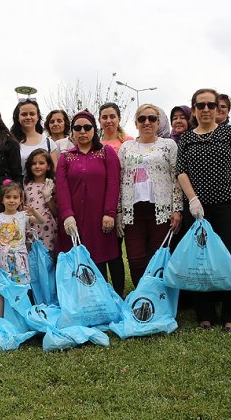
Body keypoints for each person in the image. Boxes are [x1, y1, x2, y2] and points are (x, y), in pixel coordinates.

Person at [176, 89, 231, 331]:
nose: (206, 109)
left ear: (217, 107)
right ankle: (204, 314)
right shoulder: (187, 139)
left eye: (211, 105)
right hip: (198, 209)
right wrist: (193, 199)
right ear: (194, 109)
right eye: (201, 105)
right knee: (200, 260)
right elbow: (181, 171)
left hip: (228, 205)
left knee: (230, 257)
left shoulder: (229, 132)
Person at [56, 109, 124, 294]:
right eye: (77, 128)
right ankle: (85, 298)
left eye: (87, 127)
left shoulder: (106, 152)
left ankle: (113, 298)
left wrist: (109, 213)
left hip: (101, 217)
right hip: (76, 219)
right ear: (72, 132)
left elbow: (113, 183)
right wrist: (67, 215)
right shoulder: (66, 157)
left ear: (94, 129)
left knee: (105, 256)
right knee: (79, 259)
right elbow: (61, 188)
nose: (82, 131)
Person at [117, 104, 183, 290]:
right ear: (136, 122)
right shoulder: (126, 147)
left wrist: (177, 209)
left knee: (159, 256)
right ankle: (141, 296)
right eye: (142, 119)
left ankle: (159, 297)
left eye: (152, 118)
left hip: (160, 210)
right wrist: (119, 211)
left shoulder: (168, 145)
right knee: (135, 258)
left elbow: (176, 178)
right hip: (133, 211)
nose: (147, 122)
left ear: (158, 121)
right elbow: (120, 180)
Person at [0, 180, 43, 317]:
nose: (12, 200)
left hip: (20, 260)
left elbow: (41, 221)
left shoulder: (23, 216)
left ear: (20, 200)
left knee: (21, 288)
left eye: (15, 197)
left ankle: (23, 316)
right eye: (8, 197)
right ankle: (2, 318)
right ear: (2, 200)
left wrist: (33, 212)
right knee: (3, 290)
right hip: (3, 260)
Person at [23, 149, 58, 253]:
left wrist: (48, 198)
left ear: (48, 166)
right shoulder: (26, 185)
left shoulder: (52, 185)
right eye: (34, 163)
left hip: (48, 228)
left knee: (47, 259)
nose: (37, 166)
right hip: (30, 227)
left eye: (41, 163)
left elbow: (56, 212)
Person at [11, 99, 58, 171]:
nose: (28, 117)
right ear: (18, 117)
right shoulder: (10, 142)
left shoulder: (49, 143)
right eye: (24, 114)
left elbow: (55, 173)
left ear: (37, 117)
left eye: (32, 114)